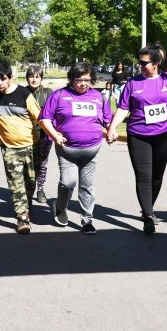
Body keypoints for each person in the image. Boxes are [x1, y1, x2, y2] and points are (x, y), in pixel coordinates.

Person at [106, 45, 167, 234]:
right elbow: (124, 108)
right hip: (138, 134)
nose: (140, 66)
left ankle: (148, 207)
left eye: (144, 63)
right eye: (139, 62)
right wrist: (112, 127)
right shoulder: (133, 83)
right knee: (144, 176)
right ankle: (148, 216)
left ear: (156, 63)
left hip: (164, 135)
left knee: (157, 176)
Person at [39, 62, 113, 234]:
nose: (83, 83)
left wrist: (111, 130)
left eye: (87, 80)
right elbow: (44, 119)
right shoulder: (59, 95)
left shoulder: (98, 96)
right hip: (67, 151)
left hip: (91, 150)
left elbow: (107, 119)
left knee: (87, 186)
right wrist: (55, 135)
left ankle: (87, 220)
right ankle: (60, 207)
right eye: (79, 79)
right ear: (71, 79)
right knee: (68, 183)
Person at [0, 61, 41, 234]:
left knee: (30, 182)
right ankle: (22, 218)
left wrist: (56, 134)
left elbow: (40, 117)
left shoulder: (23, 93)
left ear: (10, 78)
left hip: (32, 145)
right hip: (9, 148)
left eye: (2, 79)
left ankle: (26, 206)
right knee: (16, 183)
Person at [26, 64, 53, 204]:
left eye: (37, 77)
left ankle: (40, 189)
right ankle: (28, 191)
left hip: (44, 135)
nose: (34, 79)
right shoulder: (22, 92)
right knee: (29, 164)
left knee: (42, 163)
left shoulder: (48, 92)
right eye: (31, 76)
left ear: (41, 78)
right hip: (26, 135)